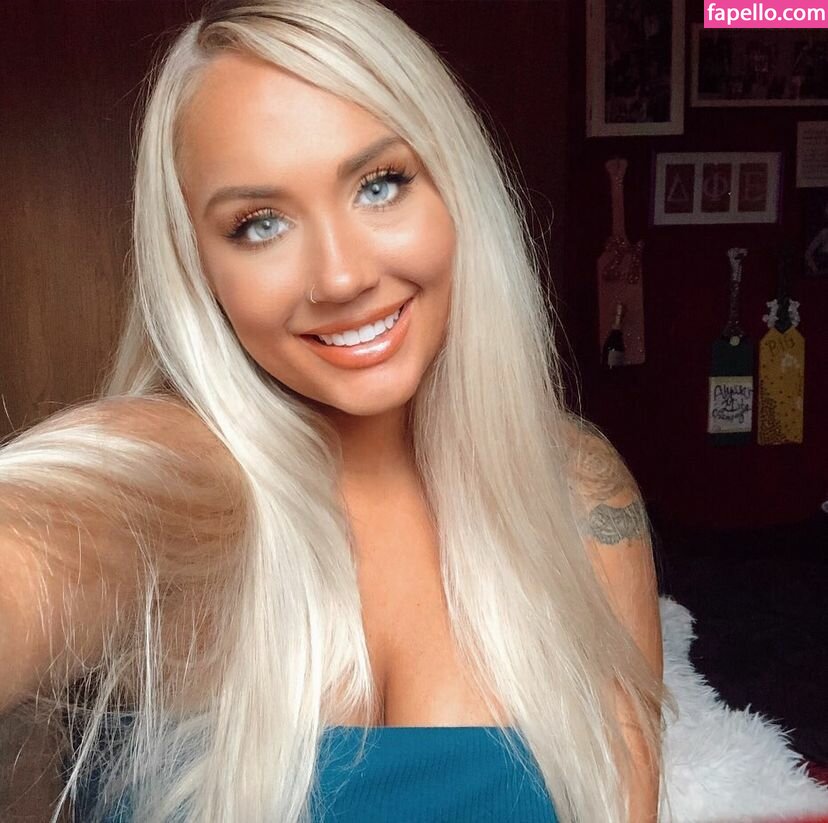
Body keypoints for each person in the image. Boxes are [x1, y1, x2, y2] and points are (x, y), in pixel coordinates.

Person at [0, 1, 671, 821]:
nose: (342, 277)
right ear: (196, 265)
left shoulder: (577, 486)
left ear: (454, 186)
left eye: (380, 184)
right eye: (260, 224)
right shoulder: (164, 476)